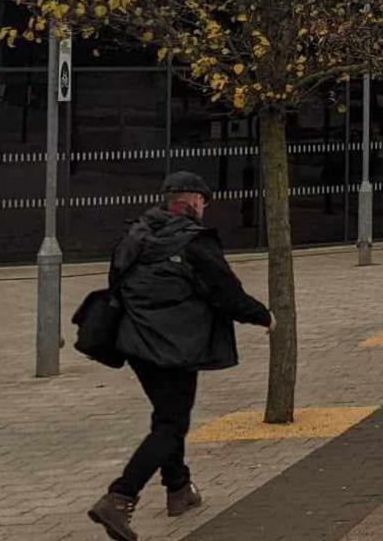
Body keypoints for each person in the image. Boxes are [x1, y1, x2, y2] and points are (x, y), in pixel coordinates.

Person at [88, 172, 270, 541]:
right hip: (173, 345)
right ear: (194, 201)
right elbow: (224, 291)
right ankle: (120, 497)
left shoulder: (137, 232)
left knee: (167, 416)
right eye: (203, 202)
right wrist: (263, 315)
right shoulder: (194, 241)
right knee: (171, 424)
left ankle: (179, 488)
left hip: (134, 342)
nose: (204, 209)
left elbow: (116, 280)